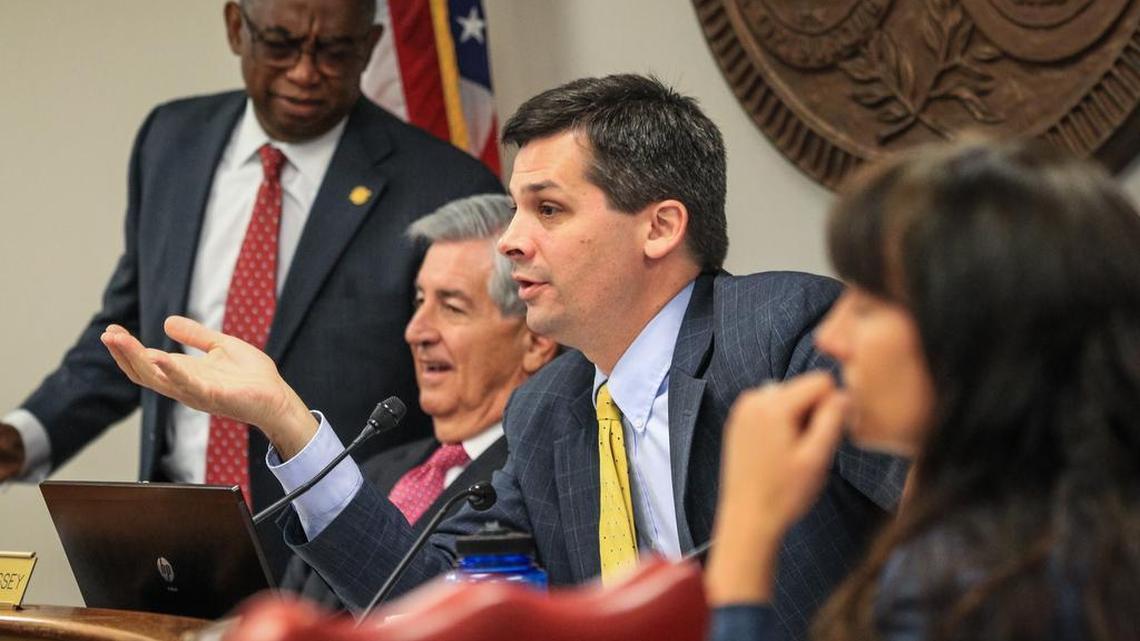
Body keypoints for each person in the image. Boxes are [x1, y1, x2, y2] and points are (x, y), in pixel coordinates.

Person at [101, 74, 905, 640]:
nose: (513, 239)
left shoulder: (783, 332)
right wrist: (284, 419)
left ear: (659, 227)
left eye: (547, 209)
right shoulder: (551, 410)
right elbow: (433, 601)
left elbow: (964, 521)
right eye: (517, 208)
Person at [0, 0, 501, 576]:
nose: (305, 72)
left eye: (335, 50)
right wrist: (22, 437)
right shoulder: (172, 141)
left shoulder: (444, 186)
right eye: (282, 44)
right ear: (237, 27)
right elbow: (134, 332)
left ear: (369, 45)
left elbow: (472, 387)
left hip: (341, 564)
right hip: (173, 545)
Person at [705, 138, 1140, 640]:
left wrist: (745, 534)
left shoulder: (967, 589)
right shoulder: (1087, 534)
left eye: (866, 306)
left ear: (970, 334)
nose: (831, 337)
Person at [281, 193, 558, 609]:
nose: (416, 331)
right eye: (418, 301)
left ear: (535, 341)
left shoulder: (538, 482)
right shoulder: (368, 475)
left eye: (451, 306)